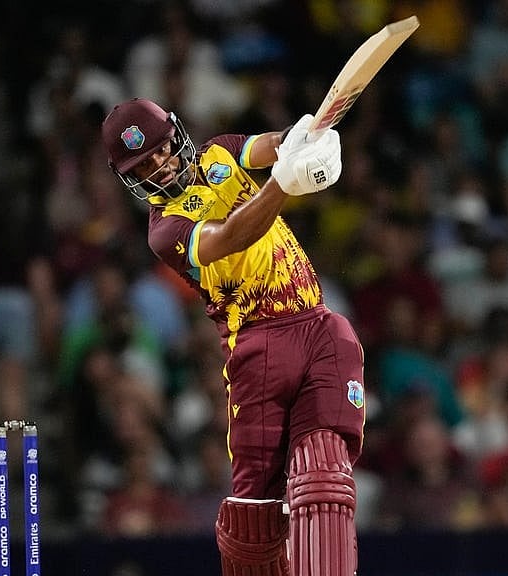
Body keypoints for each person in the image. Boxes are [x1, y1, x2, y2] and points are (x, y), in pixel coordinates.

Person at [102, 98, 361, 576]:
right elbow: (232, 235)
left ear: (177, 135)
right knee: (252, 521)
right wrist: (283, 183)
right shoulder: (165, 229)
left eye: (161, 150)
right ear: (133, 180)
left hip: (321, 327)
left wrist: (303, 139)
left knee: (323, 478)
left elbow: (268, 146)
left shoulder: (219, 152)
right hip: (257, 349)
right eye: (146, 165)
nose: (161, 164)